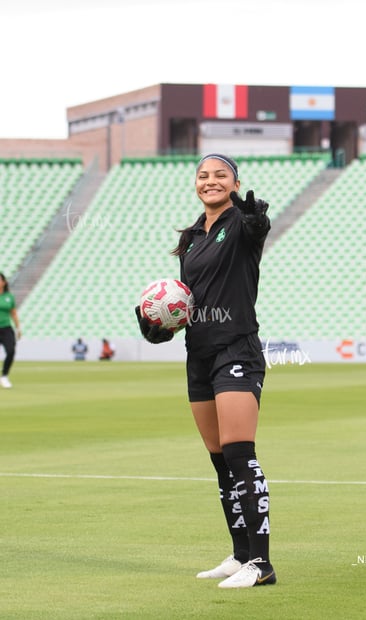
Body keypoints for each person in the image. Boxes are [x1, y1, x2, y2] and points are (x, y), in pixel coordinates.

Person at [135, 154, 276, 589]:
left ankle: (262, 565)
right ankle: (239, 555)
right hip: (199, 354)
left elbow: (256, 232)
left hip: (237, 349)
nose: (210, 181)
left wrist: (255, 222)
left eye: (220, 175)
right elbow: (187, 300)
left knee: (239, 453)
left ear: (235, 182)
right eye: (203, 175)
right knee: (220, 463)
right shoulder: (192, 236)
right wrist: (161, 324)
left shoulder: (242, 223)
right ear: (195, 183)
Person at [0, 272, 22, 388]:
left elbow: (13, 313)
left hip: (6, 328)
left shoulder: (9, 297)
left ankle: (4, 376)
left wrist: (18, 328)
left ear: (4, 282)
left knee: (11, 351)